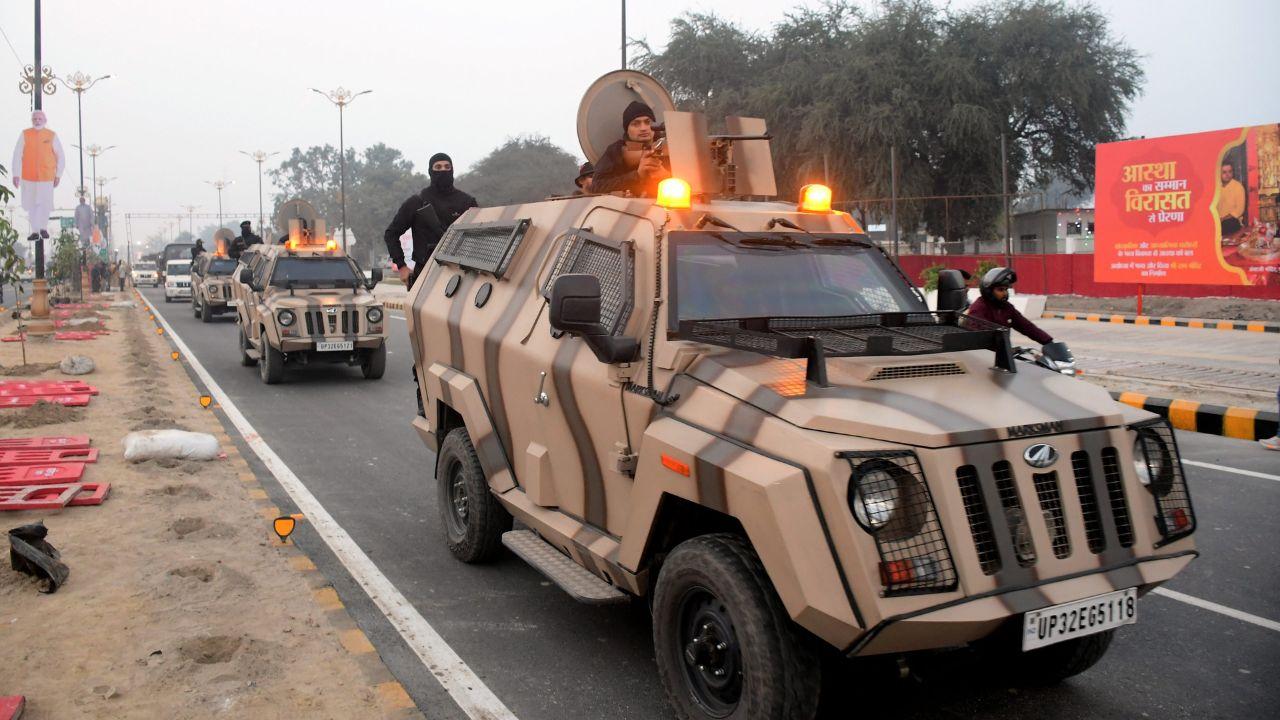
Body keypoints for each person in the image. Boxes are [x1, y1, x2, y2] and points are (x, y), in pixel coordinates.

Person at [383, 152, 478, 286]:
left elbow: (478, 238)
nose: (443, 170)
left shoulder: (467, 202)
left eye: (447, 167)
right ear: (430, 171)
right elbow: (391, 234)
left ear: (452, 170)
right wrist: (402, 266)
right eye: (438, 167)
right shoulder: (417, 202)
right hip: (425, 274)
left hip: (460, 275)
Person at [591, 101, 670, 197]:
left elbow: (690, 181)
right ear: (627, 129)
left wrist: (666, 176)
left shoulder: (668, 146)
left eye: (647, 122)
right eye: (636, 124)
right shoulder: (616, 151)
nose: (643, 128)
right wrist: (637, 175)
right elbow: (596, 187)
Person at [10, 110, 65, 242]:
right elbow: (17, 155)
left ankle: (43, 228)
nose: (37, 121)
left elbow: (60, 156)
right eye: (35, 119)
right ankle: (35, 230)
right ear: (32, 120)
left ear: (45, 120)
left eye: (40, 119)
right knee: (32, 204)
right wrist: (16, 174)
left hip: (47, 177)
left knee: (45, 204)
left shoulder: (51, 135)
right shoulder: (25, 134)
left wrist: (58, 174)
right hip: (28, 177)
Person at [964, 267, 1054, 345]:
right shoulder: (979, 308)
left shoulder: (1006, 307)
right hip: (986, 356)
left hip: (1004, 354)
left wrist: (1048, 342)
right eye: (1000, 290)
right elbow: (981, 335)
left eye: (1006, 289)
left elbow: (1026, 326)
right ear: (988, 290)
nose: (1005, 293)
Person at [1216, 162, 1246, 237]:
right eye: (1224, 172)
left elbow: (1239, 210)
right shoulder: (1216, 186)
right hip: (1217, 220)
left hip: (1231, 220)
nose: (1227, 175)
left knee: (1227, 224)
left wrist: (1223, 219)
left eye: (1230, 171)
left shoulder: (1238, 187)